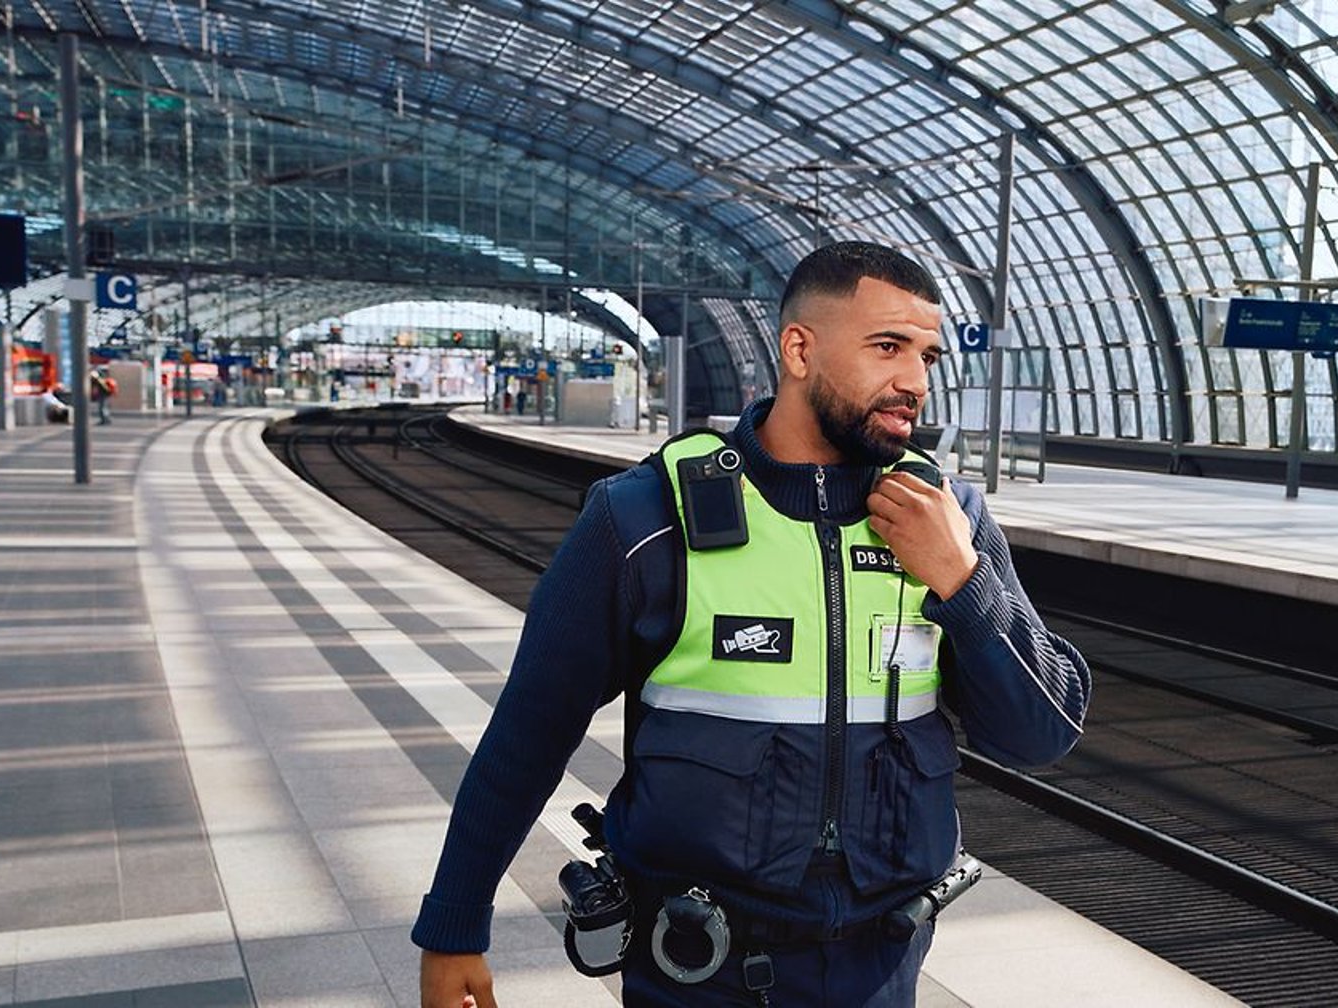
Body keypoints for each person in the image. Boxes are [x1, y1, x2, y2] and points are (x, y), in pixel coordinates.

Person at [413, 241, 1091, 1008]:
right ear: (799, 349)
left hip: (882, 965)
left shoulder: (949, 518)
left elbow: (1041, 735)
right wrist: (455, 922)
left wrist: (964, 585)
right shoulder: (643, 517)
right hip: (699, 967)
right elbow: (529, 732)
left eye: (928, 356)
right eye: (887, 347)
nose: (915, 382)